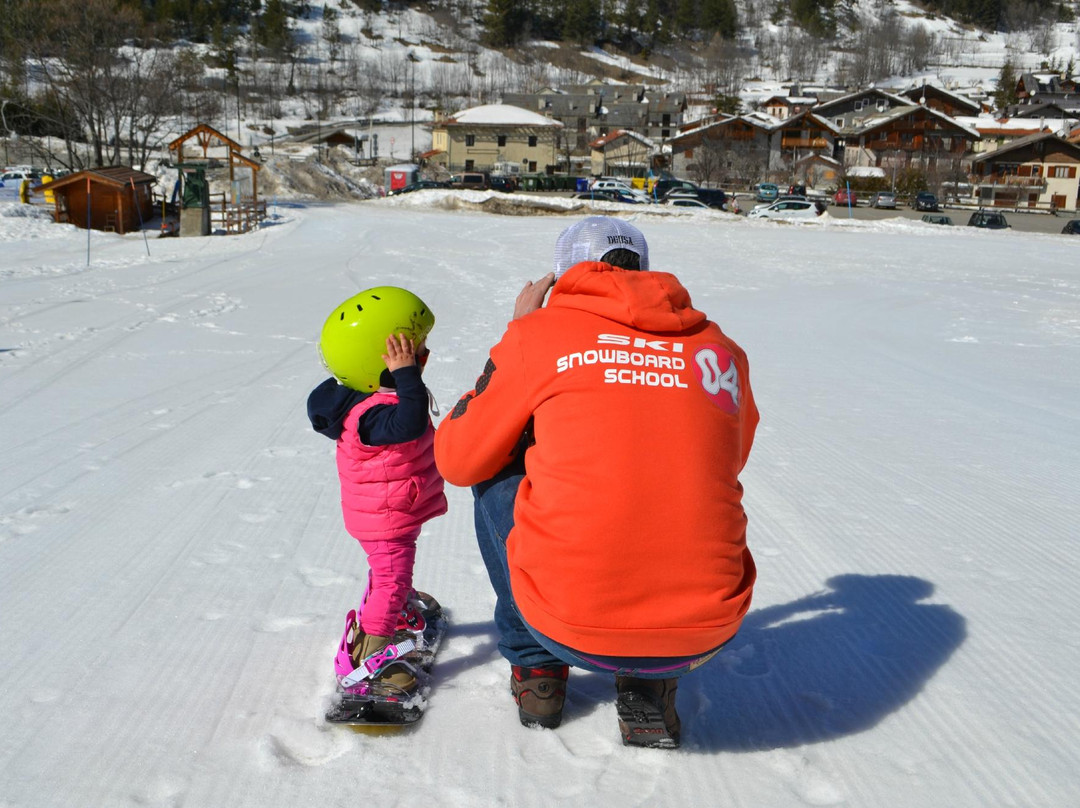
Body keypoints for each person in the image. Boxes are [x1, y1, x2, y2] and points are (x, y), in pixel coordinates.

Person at [434, 216, 759, 749]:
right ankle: (649, 685)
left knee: (493, 466)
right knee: (676, 476)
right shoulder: (719, 348)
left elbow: (457, 459)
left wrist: (516, 334)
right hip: (704, 634)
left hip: (566, 626)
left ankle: (538, 672)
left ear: (564, 276)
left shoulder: (539, 336)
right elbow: (731, 456)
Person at [307, 286, 447, 697]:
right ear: (380, 364)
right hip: (385, 519)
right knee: (390, 580)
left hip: (388, 513)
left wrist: (402, 374)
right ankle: (369, 663)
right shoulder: (373, 416)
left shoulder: (369, 396)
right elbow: (411, 422)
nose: (424, 356)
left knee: (388, 574)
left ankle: (392, 611)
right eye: (415, 352)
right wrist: (408, 376)